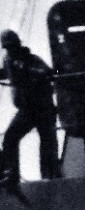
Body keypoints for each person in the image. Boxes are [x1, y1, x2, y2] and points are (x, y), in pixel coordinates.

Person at [0, 29, 60, 188]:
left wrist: (30, 71)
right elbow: (5, 73)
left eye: (12, 46)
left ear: (18, 44)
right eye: (7, 47)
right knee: (10, 138)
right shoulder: (9, 61)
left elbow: (47, 72)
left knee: (47, 142)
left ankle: (50, 177)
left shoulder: (31, 59)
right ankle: (11, 173)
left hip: (43, 107)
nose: (10, 50)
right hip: (26, 110)